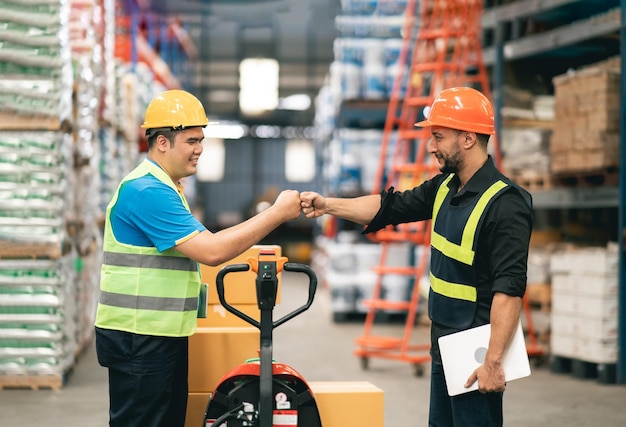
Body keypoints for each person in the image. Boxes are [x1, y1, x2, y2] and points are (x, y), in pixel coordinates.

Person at [300, 87, 533, 427]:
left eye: (438, 136)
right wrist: (328, 205)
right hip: (443, 342)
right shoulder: (445, 187)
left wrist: (494, 362)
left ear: (467, 139)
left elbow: (509, 290)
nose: (430, 145)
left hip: (476, 349)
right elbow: (389, 206)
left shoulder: (506, 203)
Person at [94, 89, 302, 427]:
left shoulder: (167, 187)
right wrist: (276, 214)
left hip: (158, 335)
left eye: (201, 140)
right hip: (140, 339)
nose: (199, 149)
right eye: (191, 140)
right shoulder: (148, 191)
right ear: (162, 142)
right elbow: (213, 250)